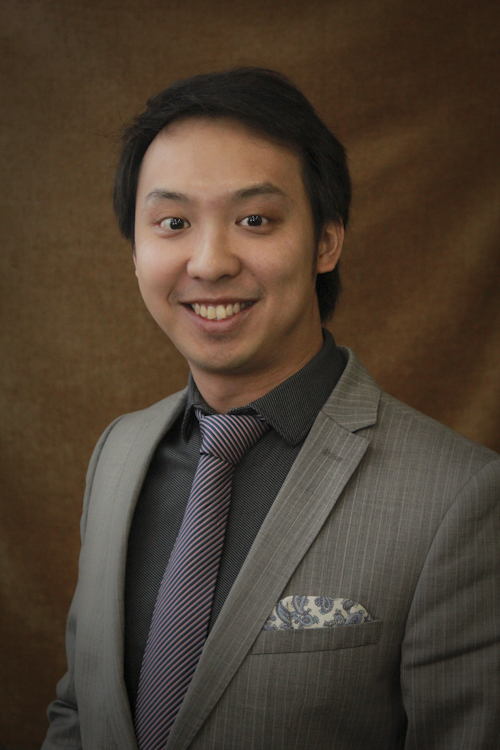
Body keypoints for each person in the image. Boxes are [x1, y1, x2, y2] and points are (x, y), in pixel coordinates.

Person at [42, 68, 500, 750]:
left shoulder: (459, 496)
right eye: (173, 223)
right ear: (135, 252)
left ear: (327, 241)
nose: (210, 262)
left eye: (255, 220)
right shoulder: (118, 453)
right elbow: (81, 712)